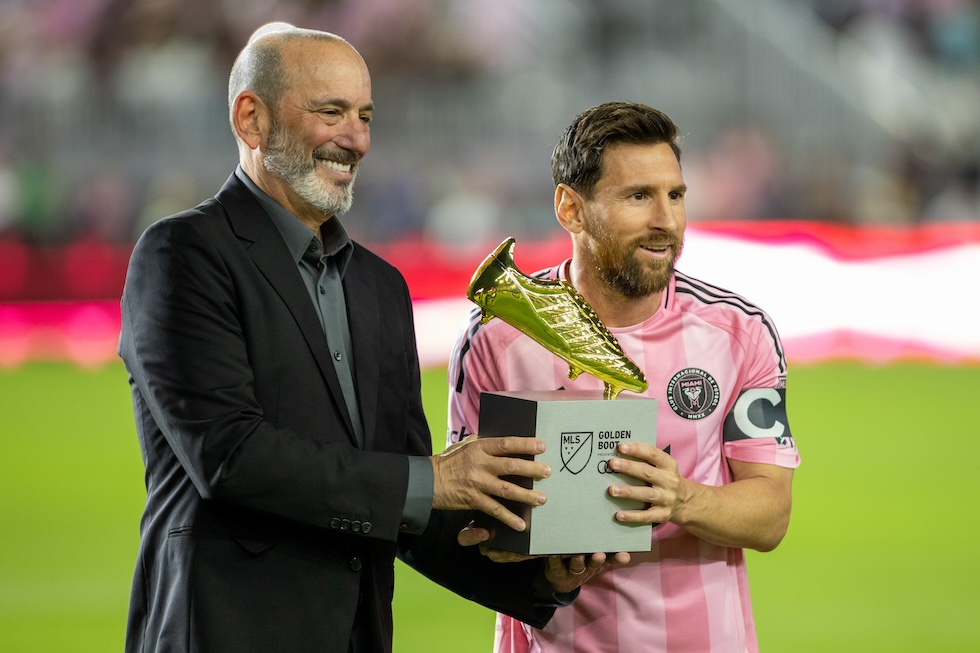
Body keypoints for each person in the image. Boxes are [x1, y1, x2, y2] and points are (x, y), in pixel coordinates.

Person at [118, 24, 608, 653]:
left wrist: (539, 571)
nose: (356, 138)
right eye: (332, 112)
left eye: (366, 115)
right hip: (223, 631)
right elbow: (227, 455)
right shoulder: (183, 254)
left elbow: (404, 501)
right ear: (252, 119)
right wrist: (432, 481)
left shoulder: (381, 287)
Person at [448, 102, 801, 653]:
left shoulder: (739, 331)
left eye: (676, 195)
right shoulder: (497, 336)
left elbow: (771, 515)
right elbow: (468, 523)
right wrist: (540, 557)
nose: (666, 219)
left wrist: (679, 498)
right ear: (571, 208)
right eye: (639, 196)